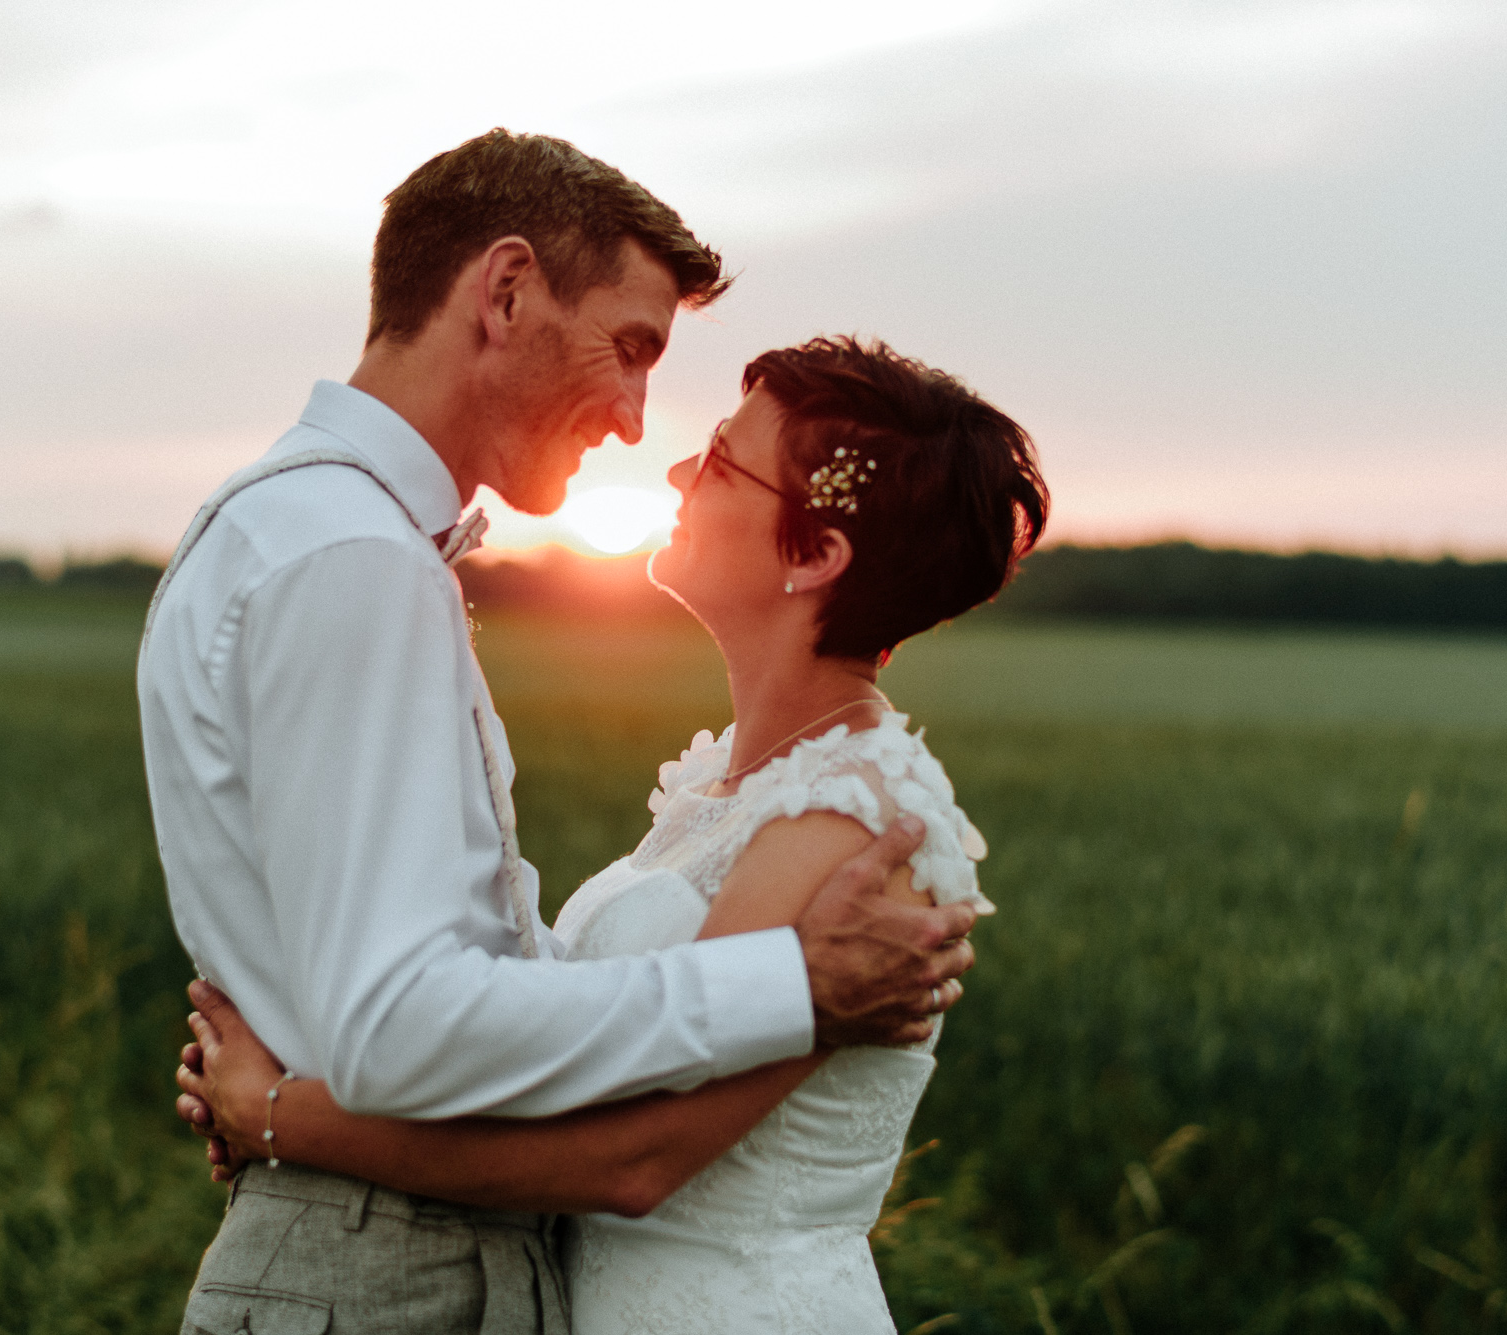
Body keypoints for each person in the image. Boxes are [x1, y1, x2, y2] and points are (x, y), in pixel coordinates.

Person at [140, 130, 978, 1335]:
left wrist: (282, 1108)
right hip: (384, 1266)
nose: (642, 431)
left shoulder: (298, 528)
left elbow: (414, 1031)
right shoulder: (354, 561)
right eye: (630, 350)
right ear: (506, 290)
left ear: (819, 556)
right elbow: (398, 1025)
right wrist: (787, 983)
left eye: (717, 464)